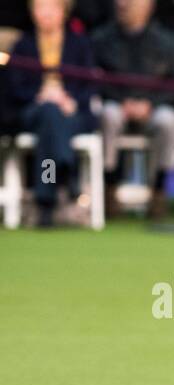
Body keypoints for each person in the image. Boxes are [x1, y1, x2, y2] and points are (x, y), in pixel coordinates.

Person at [92, 0, 174, 219]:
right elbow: (95, 80)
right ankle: (109, 189)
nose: (123, 5)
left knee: (168, 119)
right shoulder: (101, 39)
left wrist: (150, 104)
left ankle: (159, 191)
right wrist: (121, 101)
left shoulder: (167, 41)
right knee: (108, 114)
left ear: (148, 5)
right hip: (118, 106)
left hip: (153, 108)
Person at [7, 0, 97, 226]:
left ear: (63, 11)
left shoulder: (79, 44)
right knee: (49, 113)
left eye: (51, 7)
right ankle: (66, 168)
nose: (45, 13)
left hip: (71, 113)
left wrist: (69, 100)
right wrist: (40, 96)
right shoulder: (23, 45)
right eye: (40, 7)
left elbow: (90, 84)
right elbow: (14, 87)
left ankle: (46, 201)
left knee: (52, 122)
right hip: (34, 111)